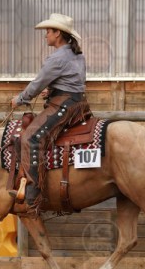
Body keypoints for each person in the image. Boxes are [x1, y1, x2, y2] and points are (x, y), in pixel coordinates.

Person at [10, 13, 91, 212]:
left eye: (48, 31)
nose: (45, 35)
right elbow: (72, 81)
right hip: (77, 103)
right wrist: (53, 90)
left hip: (64, 106)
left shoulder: (57, 58)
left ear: (58, 34)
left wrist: (20, 99)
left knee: (31, 138)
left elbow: (37, 84)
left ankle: (33, 194)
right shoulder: (76, 54)